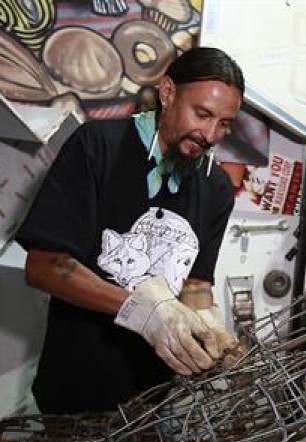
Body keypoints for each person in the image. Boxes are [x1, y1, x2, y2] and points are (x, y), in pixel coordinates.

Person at [16, 47, 245, 414]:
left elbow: (196, 284)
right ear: (168, 93)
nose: (210, 134)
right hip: (75, 388)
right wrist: (143, 313)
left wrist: (207, 326)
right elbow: (44, 266)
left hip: (151, 402)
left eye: (224, 124)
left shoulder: (215, 188)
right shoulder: (98, 147)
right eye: (202, 114)